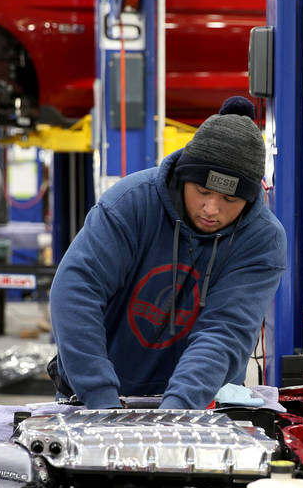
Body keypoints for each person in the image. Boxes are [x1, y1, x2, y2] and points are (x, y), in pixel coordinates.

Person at [49, 97, 287, 410]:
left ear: (249, 199)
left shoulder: (262, 239)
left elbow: (224, 332)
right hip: (94, 397)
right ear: (184, 177)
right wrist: (101, 400)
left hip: (197, 402)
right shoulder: (130, 203)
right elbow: (76, 293)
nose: (211, 209)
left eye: (230, 199)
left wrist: (176, 414)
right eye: (202, 191)